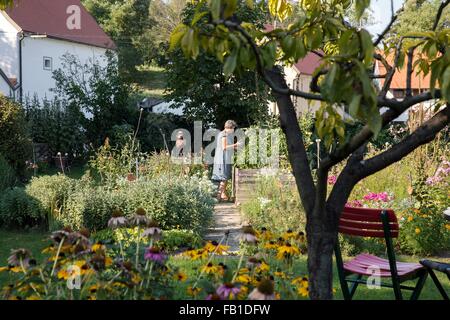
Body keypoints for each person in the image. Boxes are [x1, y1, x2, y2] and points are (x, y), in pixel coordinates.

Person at [212, 120, 241, 201]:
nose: (233, 130)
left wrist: (235, 148)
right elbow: (224, 147)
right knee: (223, 177)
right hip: (222, 159)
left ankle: (222, 196)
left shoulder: (226, 135)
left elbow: (228, 146)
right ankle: (218, 198)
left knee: (225, 178)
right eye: (233, 129)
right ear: (229, 127)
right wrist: (236, 144)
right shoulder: (223, 134)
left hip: (225, 158)